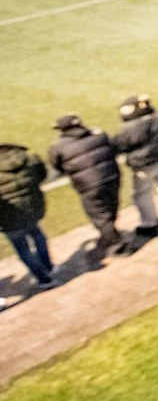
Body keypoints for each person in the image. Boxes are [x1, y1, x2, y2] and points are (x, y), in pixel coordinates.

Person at [47, 114, 130, 258]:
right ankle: (110, 235)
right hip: (112, 177)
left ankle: (117, 245)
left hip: (88, 185)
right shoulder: (100, 134)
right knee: (111, 207)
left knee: (99, 215)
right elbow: (113, 150)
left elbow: (57, 166)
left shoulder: (58, 147)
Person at [112, 95, 158, 235]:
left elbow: (118, 145)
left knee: (142, 194)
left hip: (143, 165)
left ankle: (149, 223)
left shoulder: (128, 128)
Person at [0, 141, 55, 290]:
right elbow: (41, 175)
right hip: (32, 209)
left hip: (8, 219)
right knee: (38, 236)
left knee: (23, 249)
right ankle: (48, 267)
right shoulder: (25, 158)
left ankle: (44, 279)